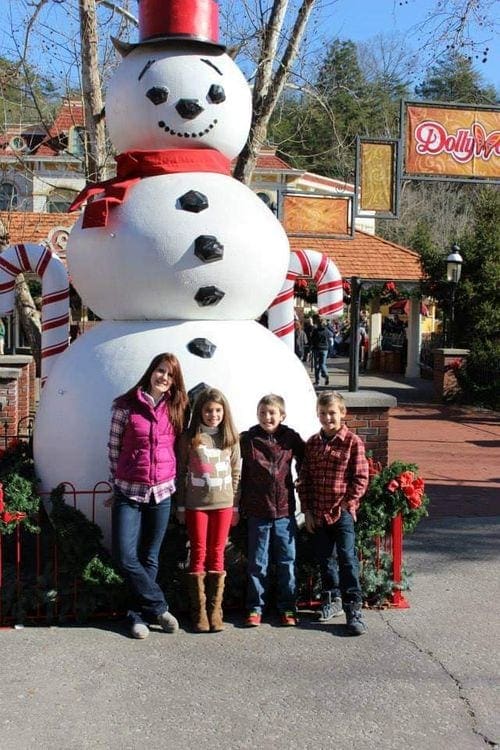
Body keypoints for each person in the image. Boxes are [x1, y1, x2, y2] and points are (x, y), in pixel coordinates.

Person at [108, 352, 189, 639]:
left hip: (162, 491)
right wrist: (114, 482)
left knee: (150, 557)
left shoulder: (176, 408)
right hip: (129, 491)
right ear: (150, 372)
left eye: (170, 374)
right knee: (125, 556)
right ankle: (158, 606)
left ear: (175, 381)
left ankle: (137, 617)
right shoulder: (125, 406)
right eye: (160, 370)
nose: (164, 377)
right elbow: (114, 448)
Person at [297, 391, 369, 635]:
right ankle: (332, 600)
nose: (328, 418)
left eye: (332, 413)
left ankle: (353, 608)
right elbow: (304, 478)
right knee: (325, 560)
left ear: (342, 413)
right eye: (323, 414)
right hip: (318, 512)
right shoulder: (313, 443)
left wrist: (348, 504)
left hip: (342, 513)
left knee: (347, 559)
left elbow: (360, 478)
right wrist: (307, 510)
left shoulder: (352, 442)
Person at [176, 387, 241, 633]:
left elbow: (236, 473)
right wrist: (181, 505)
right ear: (200, 412)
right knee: (199, 552)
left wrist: (234, 505)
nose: (213, 415)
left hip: (223, 504)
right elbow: (181, 474)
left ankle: (215, 611)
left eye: (217, 410)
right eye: (208, 410)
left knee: (217, 552)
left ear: (224, 412)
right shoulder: (190, 439)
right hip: (197, 505)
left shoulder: (230, 439)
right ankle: (200, 611)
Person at [240, 394, 304, 627]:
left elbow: (306, 459)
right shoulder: (249, 439)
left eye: (272, 413)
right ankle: (255, 607)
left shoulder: (290, 438)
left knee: (287, 561)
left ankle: (287, 606)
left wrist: (302, 481)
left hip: (284, 511)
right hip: (258, 510)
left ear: (282, 416)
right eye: (263, 413)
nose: (267, 417)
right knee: (258, 562)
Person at [310, 316, 330, 386]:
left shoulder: (315, 330)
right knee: (323, 363)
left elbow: (312, 339)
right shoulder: (326, 330)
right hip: (325, 349)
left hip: (317, 348)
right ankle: (325, 375)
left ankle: (317, 381)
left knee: (317, 365)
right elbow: (330, 336)